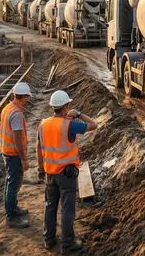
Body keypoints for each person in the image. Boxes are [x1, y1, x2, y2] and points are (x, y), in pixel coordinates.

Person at [37, 90, 98, 254]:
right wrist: (78, 114)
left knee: (50, 206)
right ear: (65, 107)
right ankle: (67, 244)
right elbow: (94, 125)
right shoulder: (70, 125)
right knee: (67, 209)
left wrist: (40, 169)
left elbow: (38, 147)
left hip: (50, 173)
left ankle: (49, 240)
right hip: (66, 175)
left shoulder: (43, 124)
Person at [0, 82, 32, 228]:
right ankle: (11, 216)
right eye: (27, 97)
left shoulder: (8, 107)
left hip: (6, 151)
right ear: (23, 97)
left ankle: (12, 208)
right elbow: (17, 138)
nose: (27, 100)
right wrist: (24, 159)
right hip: (13, 154)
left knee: (10, 181)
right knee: (13, 183)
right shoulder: (17, 114)